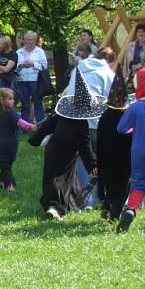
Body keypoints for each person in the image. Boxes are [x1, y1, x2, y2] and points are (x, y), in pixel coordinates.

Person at [30, 70, 105, 221]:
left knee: (60, 177)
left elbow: (48, 125)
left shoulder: (62, 114)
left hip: (52, 149)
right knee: (60, 180)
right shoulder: (81, 125)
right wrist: (93, 165)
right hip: (66, 154)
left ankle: (72, 204)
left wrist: (35, 139)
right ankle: (54, 207)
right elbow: (85, 146)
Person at [65, 45, 115, 209]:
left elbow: (69, 94)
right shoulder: (107, 73)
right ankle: (105, 196)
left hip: (76, 120)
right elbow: (112, 100)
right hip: (98, 122)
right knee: (102, 159)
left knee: (82, 159)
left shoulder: (78, 69)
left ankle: (87, 201)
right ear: (108, 61)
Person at [115, 67, 145, 233]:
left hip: (138, 151)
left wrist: (135, 129)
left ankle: (130, 210)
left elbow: (121, 128)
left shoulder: (134, 107)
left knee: (138, 184)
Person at [96, 67, 132, 222]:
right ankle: (114, 214)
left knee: (110, 184)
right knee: (122, 186)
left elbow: (99, 138)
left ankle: (106, 205)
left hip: (106, 158)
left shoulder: (104, 116)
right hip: (123, 159)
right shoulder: (127, 115)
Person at [0, 88, 35, 192]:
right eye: (10, 99)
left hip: (5, 144)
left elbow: (20, 122)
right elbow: (20, 122)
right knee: (5, 165)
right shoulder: (5, 113)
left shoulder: (5, 113)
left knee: (5, 165)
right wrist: (30, 126)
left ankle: (10, 185)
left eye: (13, 99)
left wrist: (30, 126)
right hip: (9, 143)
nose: (13, 101)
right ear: (2, 100)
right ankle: (2, 182)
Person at [16, 30, 48, 123]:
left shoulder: (40, 52)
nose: (29, 41)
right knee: (25, 104)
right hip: (22, 80)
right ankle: (24, 126)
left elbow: (44, 66)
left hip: (36, 81)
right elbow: (14, 66)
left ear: (35, 40)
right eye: (27, 39)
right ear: (24, 40)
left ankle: (40, 125)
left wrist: (33, 64)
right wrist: (21, 65)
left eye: (32, 39)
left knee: (38, 103)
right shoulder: (19, 52)